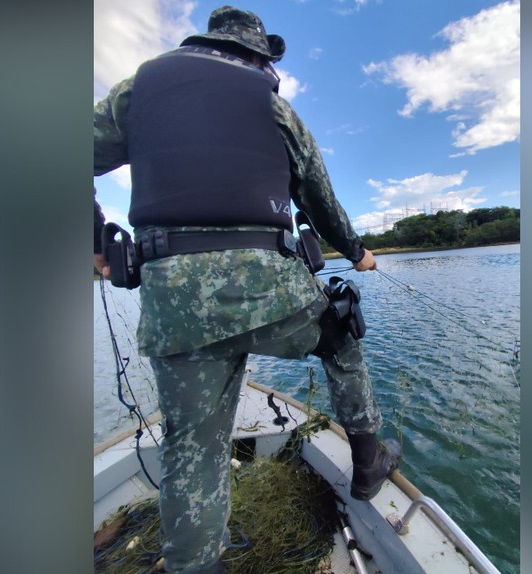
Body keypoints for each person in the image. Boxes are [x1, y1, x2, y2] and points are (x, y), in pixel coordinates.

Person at [93, 6, 400, 574]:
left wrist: (94, 240)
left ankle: (195, 563)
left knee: (193, 452)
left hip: (174, 309)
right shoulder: (273, 104)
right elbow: (320, 197)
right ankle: (367, 463)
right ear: (258, 56)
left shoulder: (139, 89)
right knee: (340, 333)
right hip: (271, 294)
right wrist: (357, 252)